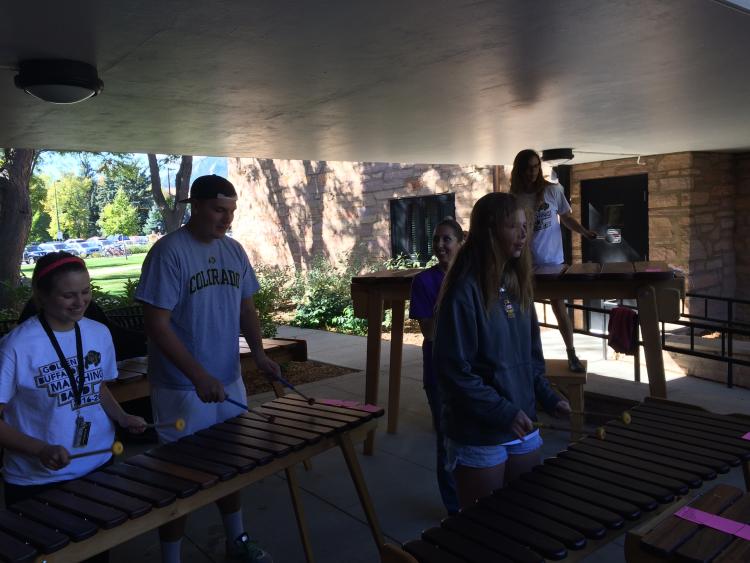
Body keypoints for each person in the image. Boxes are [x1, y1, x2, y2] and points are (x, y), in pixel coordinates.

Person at [135, 175, 279, 563]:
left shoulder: (234, 251)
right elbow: (156, 324)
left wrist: (260, 354)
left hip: (228, 381)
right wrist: (197, 375)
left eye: (231, 211)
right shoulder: (169, 253)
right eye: (218, 210)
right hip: (181, 388)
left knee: (232, 465)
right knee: (178, 478)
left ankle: (238, 539)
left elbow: (247, 308)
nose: (226, 219)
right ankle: (172, 558)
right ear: (194, 206)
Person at [0, 252, 146, 561]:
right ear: (41, 295)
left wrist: (121, 417)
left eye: (86, 291)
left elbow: (97, 387)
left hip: (97, 466)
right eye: (68, 295)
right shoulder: (17, 345)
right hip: (37, 481)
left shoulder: (98, 333)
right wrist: (38, 449)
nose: (80, 301)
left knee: (96, 555)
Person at [433, 193, 571, 508]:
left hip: (522, 425)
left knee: (524, 521)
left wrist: (549, 397)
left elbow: (531, 361)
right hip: (480, 434)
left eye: (526, 227)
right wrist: (503, 412)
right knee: (484, 535)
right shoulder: (464, 290)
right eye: (514, 226)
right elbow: (453, 371)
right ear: (490, 231)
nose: (524, 235)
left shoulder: (517, 284)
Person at [509, 149, 598, 372]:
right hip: (525, 263)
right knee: (525, 310)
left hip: (552, 262)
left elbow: (566, 217)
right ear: (519, 170)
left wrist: (584, 232)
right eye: (527, 167)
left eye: (535, 166)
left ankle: (572, 354)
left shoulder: (553, 190)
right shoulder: (513, 198)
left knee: (559, 306)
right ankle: (528, 358)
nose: (532, 171)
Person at [409, 217, 464, 515]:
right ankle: (455, 509)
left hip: (471, 372)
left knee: (475, 439)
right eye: (436, 240)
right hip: (439, 373)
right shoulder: (423, 282)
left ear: (460, 243)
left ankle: (478, 495)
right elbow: (429, 332)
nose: (440, 246)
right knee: (447, 442)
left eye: (447, 239)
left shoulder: (474, 275)